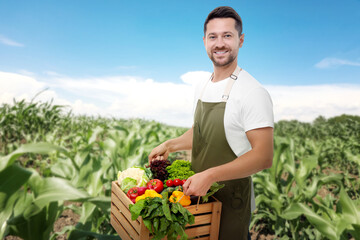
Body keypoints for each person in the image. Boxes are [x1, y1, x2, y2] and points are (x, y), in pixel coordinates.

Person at [148, 6, 274, 240]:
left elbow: (263, 156)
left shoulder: (252, 92)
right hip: (198, 198)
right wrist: (171, 145)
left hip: (231, 202)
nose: (220, 43)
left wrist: (211, 175)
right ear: (204, 41)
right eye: (213, 36)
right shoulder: (203, 86)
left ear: (241, 40)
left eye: (228, 35)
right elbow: (202, 133)